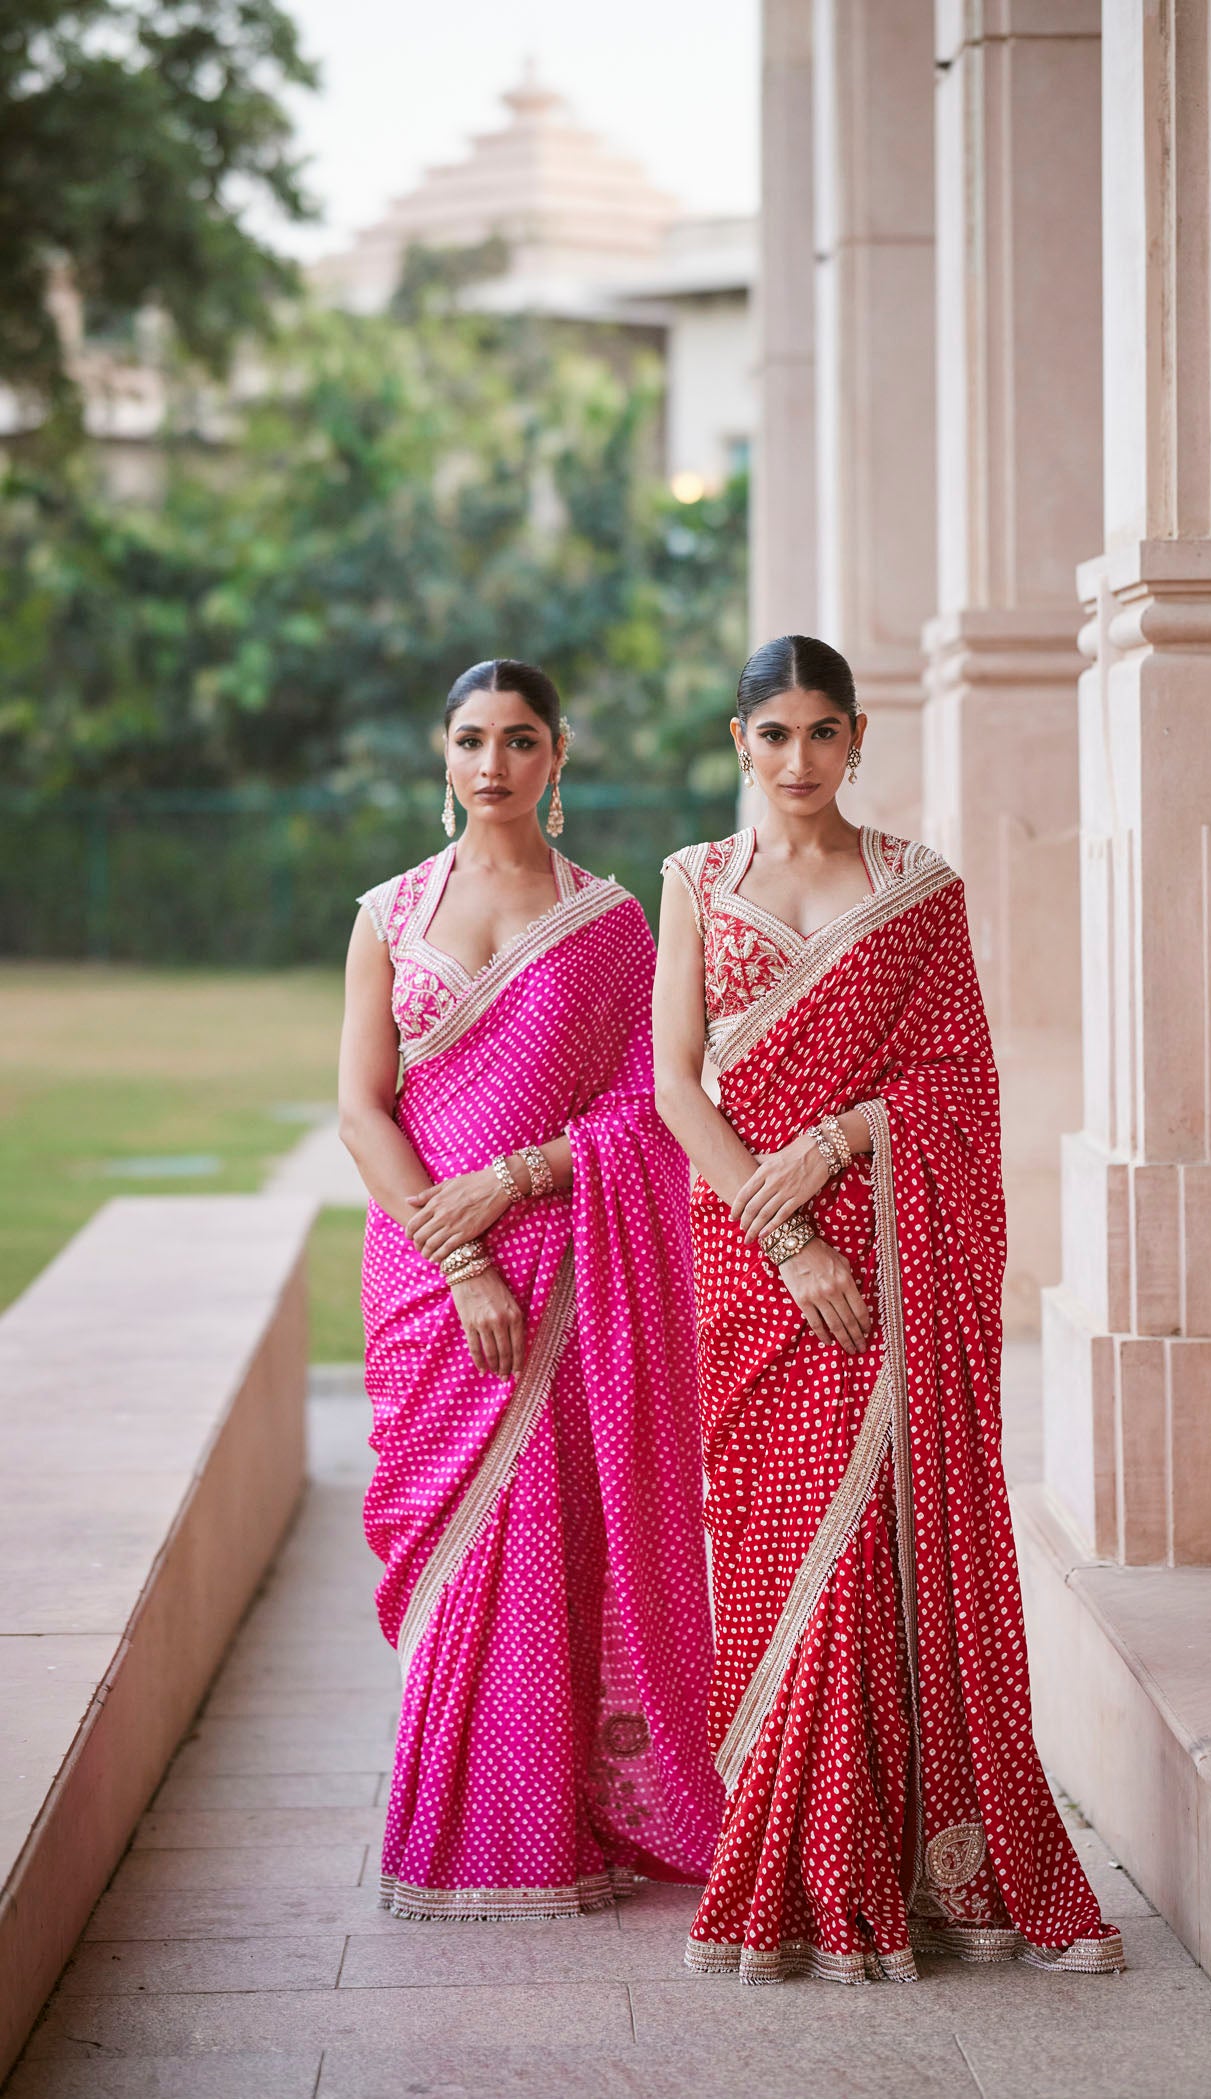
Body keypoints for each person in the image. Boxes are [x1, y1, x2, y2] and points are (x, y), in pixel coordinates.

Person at [652, 634, 1124, 1984]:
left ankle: (896, 1875)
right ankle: (797, 1869)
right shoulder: (696, 882)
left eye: (821, 732)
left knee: (871, 1554)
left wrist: (853, 1130)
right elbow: (679, 1087)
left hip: (894, 1264)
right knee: (781, 1547)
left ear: (858, 738)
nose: (797, 760)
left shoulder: (915, 889)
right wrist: (787, 1230)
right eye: (772, 733)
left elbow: (961, 1089)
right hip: (761, 1262)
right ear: (737, 741)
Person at [339, 657, 722, 1920]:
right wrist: (457, 1257)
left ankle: (560, 1824)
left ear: (557, 756)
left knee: (554, 1539)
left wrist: (511, 1181)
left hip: (564, 1265)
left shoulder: (611, 922)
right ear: (440, 758)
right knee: (459, 1551)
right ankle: (460, 1832)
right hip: (424, 1272)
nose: (491, 763)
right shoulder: (388, 913)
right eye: (468, 740)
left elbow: (646, 1113)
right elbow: (361, 1105)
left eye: (517, 739)